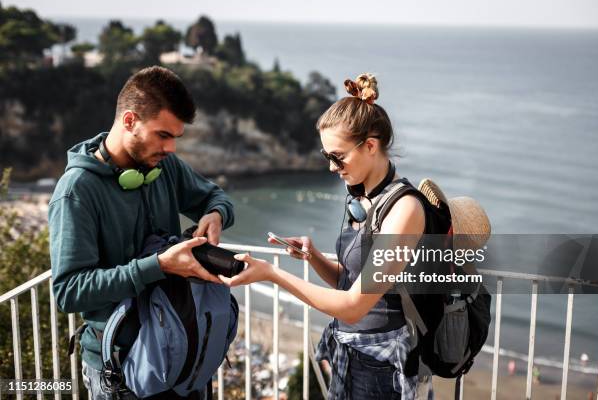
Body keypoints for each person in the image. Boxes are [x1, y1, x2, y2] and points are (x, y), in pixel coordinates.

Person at [220, 73, 431, 399]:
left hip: (382, 366)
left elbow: (353, 306)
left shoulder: (405, 211)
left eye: (338, 156)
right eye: (326, 156)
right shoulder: (360, 197)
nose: (332, 167)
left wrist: (272, 274)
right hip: (348, 352)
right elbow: (349, 282)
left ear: (371, 146)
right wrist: (314, 257)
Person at [49, 66, 234, 399]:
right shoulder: (76, 192)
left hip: (183, 353)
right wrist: (158, 266)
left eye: (175, 137)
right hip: (122, 371)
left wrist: (216, 214)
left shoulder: (164, 166)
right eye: (163, 135)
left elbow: (215, 196)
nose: (171, 148)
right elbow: (69, 291)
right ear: (130, 121)